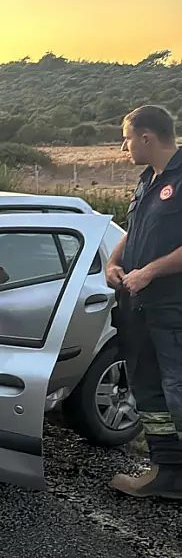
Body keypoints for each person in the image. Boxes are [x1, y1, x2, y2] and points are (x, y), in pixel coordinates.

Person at [105, 105, 182, 500]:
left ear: (147, 138)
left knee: (177, 389)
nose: (124, 146)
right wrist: (114, 260)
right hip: (138, 309)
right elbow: (135, 230)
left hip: (173, 309)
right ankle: (166, 474)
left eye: (128, 137)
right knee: (150, 393)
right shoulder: (146, 180)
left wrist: (150, 271)